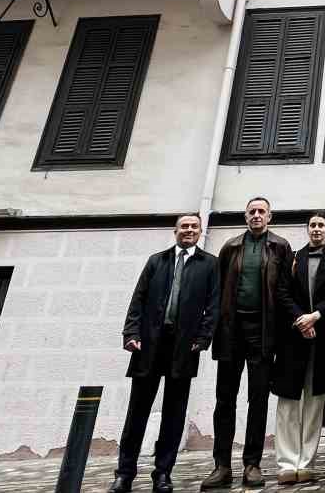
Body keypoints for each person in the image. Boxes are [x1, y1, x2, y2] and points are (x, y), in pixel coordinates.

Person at [112, 214, 220, 493]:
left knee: (174, 414)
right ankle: (124, 473)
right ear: (175, 231)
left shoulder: (209, 264)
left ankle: (163, 473)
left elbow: (214, 305)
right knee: (137, 412)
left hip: (184, 347)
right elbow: (138, 298)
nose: (189, 230)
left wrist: (203, 338)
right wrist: (131, 334)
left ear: (199, 231)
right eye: (184, 226)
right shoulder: (156, 261)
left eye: (194, 227)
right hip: (149, 344)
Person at [204, 198, 293, 490]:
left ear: (270, 216)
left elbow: (285, 292)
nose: (256, 215)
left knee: (258, 399)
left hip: (263, 332)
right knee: (224, 400)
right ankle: (221, 466)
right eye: (252, 211)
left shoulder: (280, 246)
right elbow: (217, 293)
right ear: (246, 216)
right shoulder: (230, 247)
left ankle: (252, 464)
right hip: (231, 330)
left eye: (261, 212)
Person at [273, 212, 325, 484]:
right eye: (312, 225)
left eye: (321, 226)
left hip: (322, 338)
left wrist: (316, 316)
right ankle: (287, 463)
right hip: (293, 339)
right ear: (307, 229)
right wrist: (301, 319)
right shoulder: (293, 258)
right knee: (289, 403)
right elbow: (282, 292)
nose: (317, 229)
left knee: (314, 405)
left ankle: (306, 463)